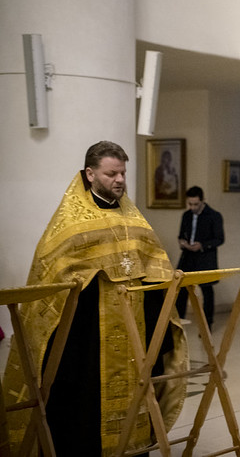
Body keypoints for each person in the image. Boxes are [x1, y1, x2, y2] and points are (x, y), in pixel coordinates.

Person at [2, 141, 188, 456]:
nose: (119, 180)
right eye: (111, 173)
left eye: (123, 173)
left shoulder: (133, 219)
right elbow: (54, 273)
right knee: (86, 397)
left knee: (138, 386)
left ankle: (133, 446)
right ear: (90, 173)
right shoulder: (71, 221)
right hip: (89, 333)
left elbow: (154, 261)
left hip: (135, 327)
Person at [176, 186, 225, 331]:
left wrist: (202, 245)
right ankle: (179, 323)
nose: (192, 207)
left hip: (205, 257)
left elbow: (219, 239)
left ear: (202, 201)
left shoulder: (214, 216)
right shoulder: (186, 215)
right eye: (190, 204)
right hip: (188, 256)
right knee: (181, 289)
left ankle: (207, 325)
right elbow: (181, 235)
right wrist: (182, 242)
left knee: (207, 291)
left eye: (195, 204)